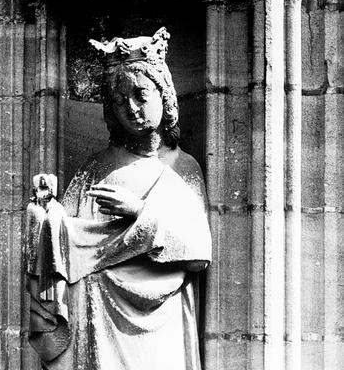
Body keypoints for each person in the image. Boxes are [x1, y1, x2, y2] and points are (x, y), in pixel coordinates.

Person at [26, 27, 212, 370]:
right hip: (100, 319)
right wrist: (45, 209)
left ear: (164, 94)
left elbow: (198, 252)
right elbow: (64, 246)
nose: (132, 108)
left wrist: (140, 213)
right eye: (119, 101)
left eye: (141, 95)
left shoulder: (183, 169)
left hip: (162, 326)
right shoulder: (95, 169)